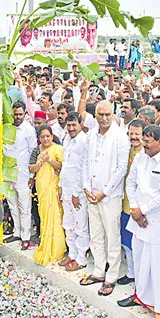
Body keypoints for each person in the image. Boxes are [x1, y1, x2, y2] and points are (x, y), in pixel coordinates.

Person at [117, 125, 160, 318]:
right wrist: (136, 209)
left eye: (148, 141)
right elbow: (131, 183)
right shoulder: (140, 158)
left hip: (158, 220)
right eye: (143, 140)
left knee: (158, 263)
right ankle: (140, 296)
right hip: (139, 217)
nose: (144, 144)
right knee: (139, 257)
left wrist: (142, 210)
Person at [79, 101, 130, 296]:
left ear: (113, 114)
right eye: (100, 114)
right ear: (96, 115)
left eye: (108, 114)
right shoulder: (91, 135)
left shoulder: (119, 137)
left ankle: (111, 276)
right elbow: (85, 163)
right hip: (92, 194)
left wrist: (104, 192)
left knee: (112, 237)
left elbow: (121, 170)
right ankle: (99, 271)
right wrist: (86, 187)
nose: (104, 118)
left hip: (110, 197)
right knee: (96, 235)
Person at [3, 102, 37, 249]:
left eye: (20, 114)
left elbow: (33, 153)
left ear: (24, 114)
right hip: (8, 173)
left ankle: (26, 236)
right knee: (12, 203)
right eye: (15, 114)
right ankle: (16, 231)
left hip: (23, 174)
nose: (17, 117)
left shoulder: (29, 130)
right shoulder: (7, 128)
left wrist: (32, 175)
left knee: (25, 207)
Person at [58, 112, 89, 271]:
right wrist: (61, 185)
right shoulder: (67, 139)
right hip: (67, 188)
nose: (70, 128)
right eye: (68, 125)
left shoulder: (84, 141)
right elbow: (66, 165)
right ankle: (72, 253)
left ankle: (81, 258)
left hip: (78, 193)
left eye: (73, 125)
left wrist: (77, 193)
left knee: (80, 225)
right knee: (68, 224)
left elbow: (83, 169)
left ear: (80, 124)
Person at [29, 125, 65, 263]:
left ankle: (57, 248)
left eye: (47, 136)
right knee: (44, 216)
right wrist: (40, 162)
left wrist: (49, 160)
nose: (45, 139)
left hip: (53, 187)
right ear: (39, 139)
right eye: (42, 137)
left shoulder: (58, 149)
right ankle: (46, 244)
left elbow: (62, 166)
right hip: (41, 187)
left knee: (55, 215)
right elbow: (31, 167)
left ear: (52, 136)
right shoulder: (37, 150)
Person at [118, 118, 147, 286]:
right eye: (131, 134)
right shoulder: (126, 149)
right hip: (125, 204)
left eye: (137, 134)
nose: (134, 137)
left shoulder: (146, 153)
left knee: (138, 244)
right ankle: (131, 272)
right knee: (127, 242)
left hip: (139, 207)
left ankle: (141, 277)